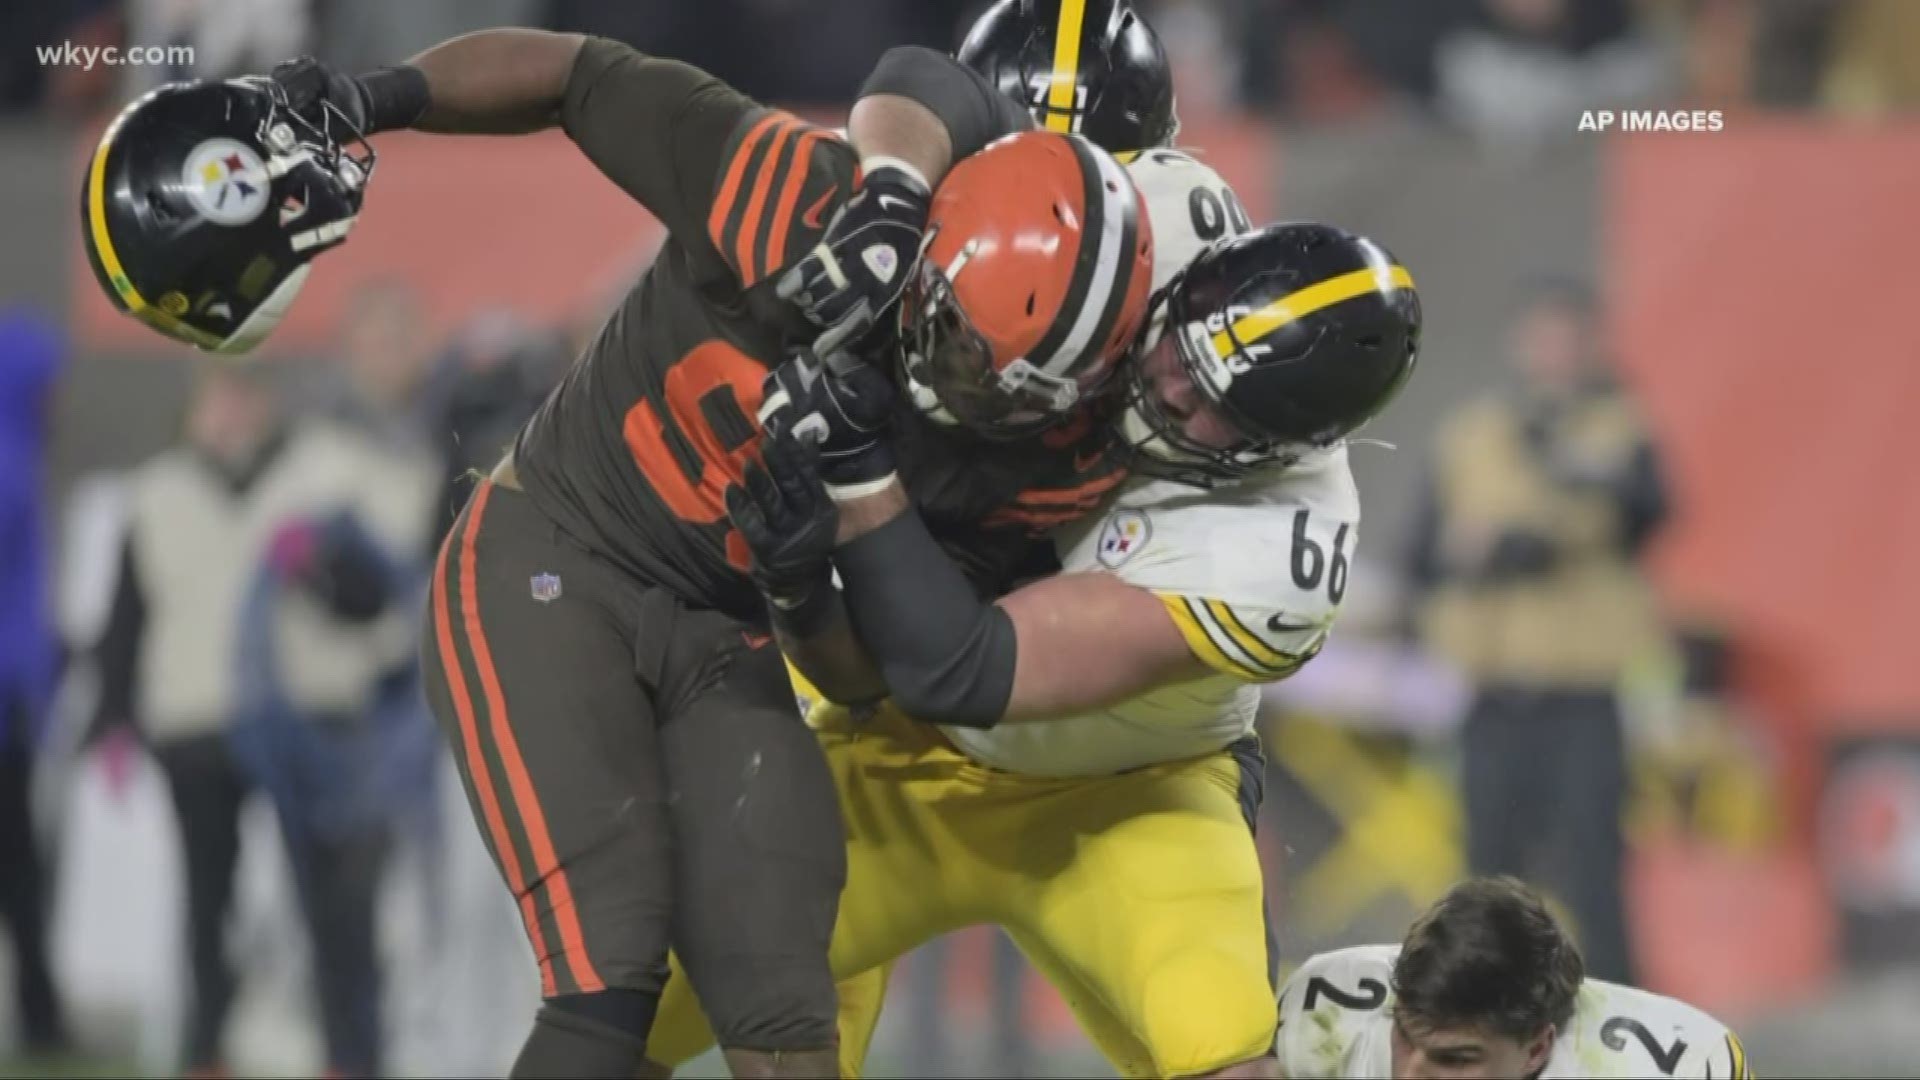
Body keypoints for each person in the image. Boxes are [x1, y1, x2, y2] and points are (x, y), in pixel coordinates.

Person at [81, 29, 1151, 1078]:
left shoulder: (1028, 457)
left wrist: (795, 584)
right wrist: (379, 99)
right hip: (549, 558)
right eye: (968, 348)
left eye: (1022, 390)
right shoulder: (797, 198)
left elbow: (865, 676)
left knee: (787, 997)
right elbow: (575, 74)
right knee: (608, 978)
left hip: (725, 631)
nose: (978, 394)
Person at [92, 359, 438, 1077]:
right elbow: (124, 620)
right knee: (206, 905)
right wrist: (115, 716)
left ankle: (352, 1055)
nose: (231, 413)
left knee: (335, 906)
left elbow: (379, 597)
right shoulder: (158, 493)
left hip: (312, 721)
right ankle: (206, 1052)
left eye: (245, 395)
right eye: (217, 397)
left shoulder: (326, 477)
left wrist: (318, 569)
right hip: (199, 720)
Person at [1404, 279, 1667, 985]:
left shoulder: (1620, 430)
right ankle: (1487, 1017)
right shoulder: (1472, 436)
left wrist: (1559, 494)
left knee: (1595, 872)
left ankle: (1620, 1023)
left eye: (1570, 338)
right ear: (1521, 343)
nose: (1555, 354)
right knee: (1487, 875)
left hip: (1582, 690)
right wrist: (1474, 553)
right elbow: (1418, 558)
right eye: (1544, 337)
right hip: (1494, 687)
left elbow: (1652, 511)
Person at [1273, 876, 1755, 1079]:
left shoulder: (1681, 1066)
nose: (1412, 1073)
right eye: (1404, 1035)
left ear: (1537, 1049)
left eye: (1455, 1058)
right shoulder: (1324, 1018)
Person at [0, 309, 71, 1060]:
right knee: (22, 868)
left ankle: (42, 1017)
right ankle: (42, 1020)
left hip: (15, 699)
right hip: (8, 706)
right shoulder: (11, 460)